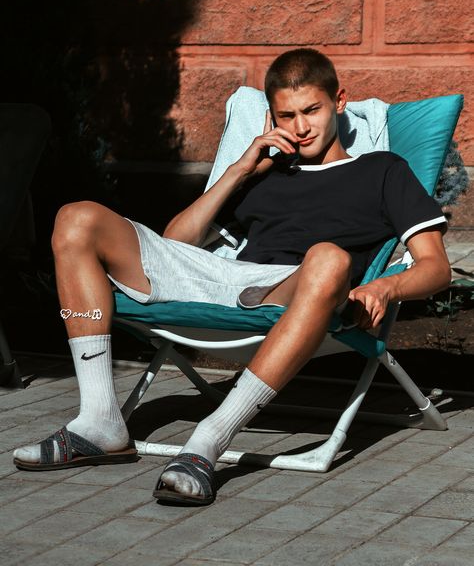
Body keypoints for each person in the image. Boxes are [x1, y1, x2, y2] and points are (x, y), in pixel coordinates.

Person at [13, 49, 450, 506]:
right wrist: (242, 168)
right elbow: (176, 243)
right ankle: (99, 420)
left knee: (329, 257)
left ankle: (208, 441)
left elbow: (435, 266)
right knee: (76, 216)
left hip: (298, 285)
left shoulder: (382, 170)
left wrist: (384, 286)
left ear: (339, 101)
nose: (301, 128)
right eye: (287, 115)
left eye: (312, 111)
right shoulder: (263, 174)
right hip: (223, 276)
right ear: (271, 117)